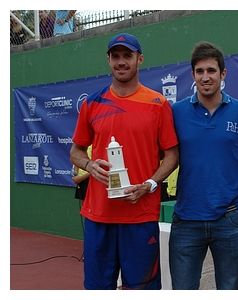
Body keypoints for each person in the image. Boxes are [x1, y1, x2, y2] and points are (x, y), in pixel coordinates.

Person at [70, 33, 179, 290]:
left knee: (142, 288)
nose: (121, 62)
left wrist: (150, 184)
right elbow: (76, 151)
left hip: (140, 216)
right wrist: (89, 165)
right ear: (108, 60)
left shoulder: (158, 103)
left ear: (139, 59)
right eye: (115, 56)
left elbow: (172, 155)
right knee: (98, 288)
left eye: (127, 55)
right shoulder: (92, 103)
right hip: (99, 215)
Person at [169, 41, 238, 290]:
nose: (205, 77)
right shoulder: (176, 112)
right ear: (193, 75)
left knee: (229, 289)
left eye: (211, 71)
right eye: (200, 72)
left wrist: (230, 187)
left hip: (230, 219)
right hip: (186, 219)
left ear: (223, 73)